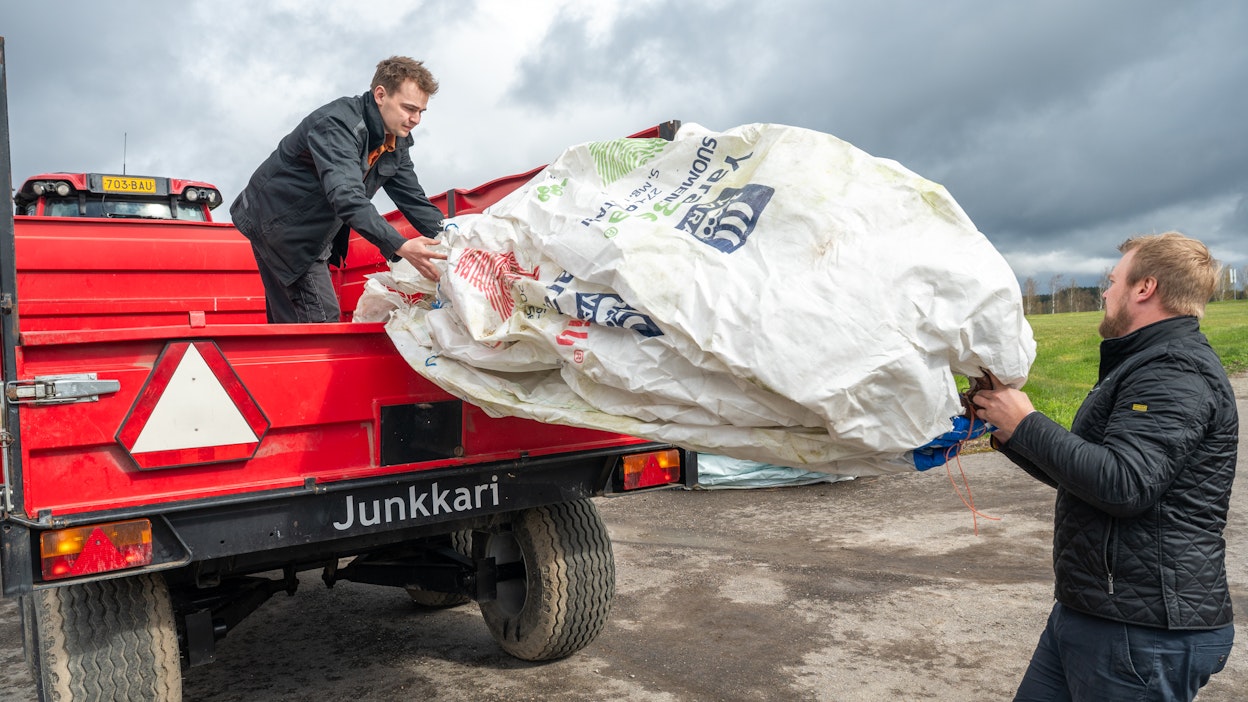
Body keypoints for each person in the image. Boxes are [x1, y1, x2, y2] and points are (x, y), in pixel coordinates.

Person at [972, 232, 1237, 701]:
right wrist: (1009, 430)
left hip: (1143, 632)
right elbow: (1087, 479)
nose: (1105, 291)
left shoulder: (1175, 371)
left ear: (1144, 288)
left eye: (1113, 280)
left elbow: (1124, 485)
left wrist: (1029, 421)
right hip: (1094, 613)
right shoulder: (1143, 363)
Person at [231, 56, 448, 323]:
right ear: (381, 95)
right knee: (319, 322)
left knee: (291, 325)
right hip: (284, 225)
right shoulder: (336, 125)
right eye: (408, 108)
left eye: (421, 112)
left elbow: (413, 199)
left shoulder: (394, 139)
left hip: (309, 226)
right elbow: (346, 196)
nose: (415, 119)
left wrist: (456, 238)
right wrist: (400, 245)